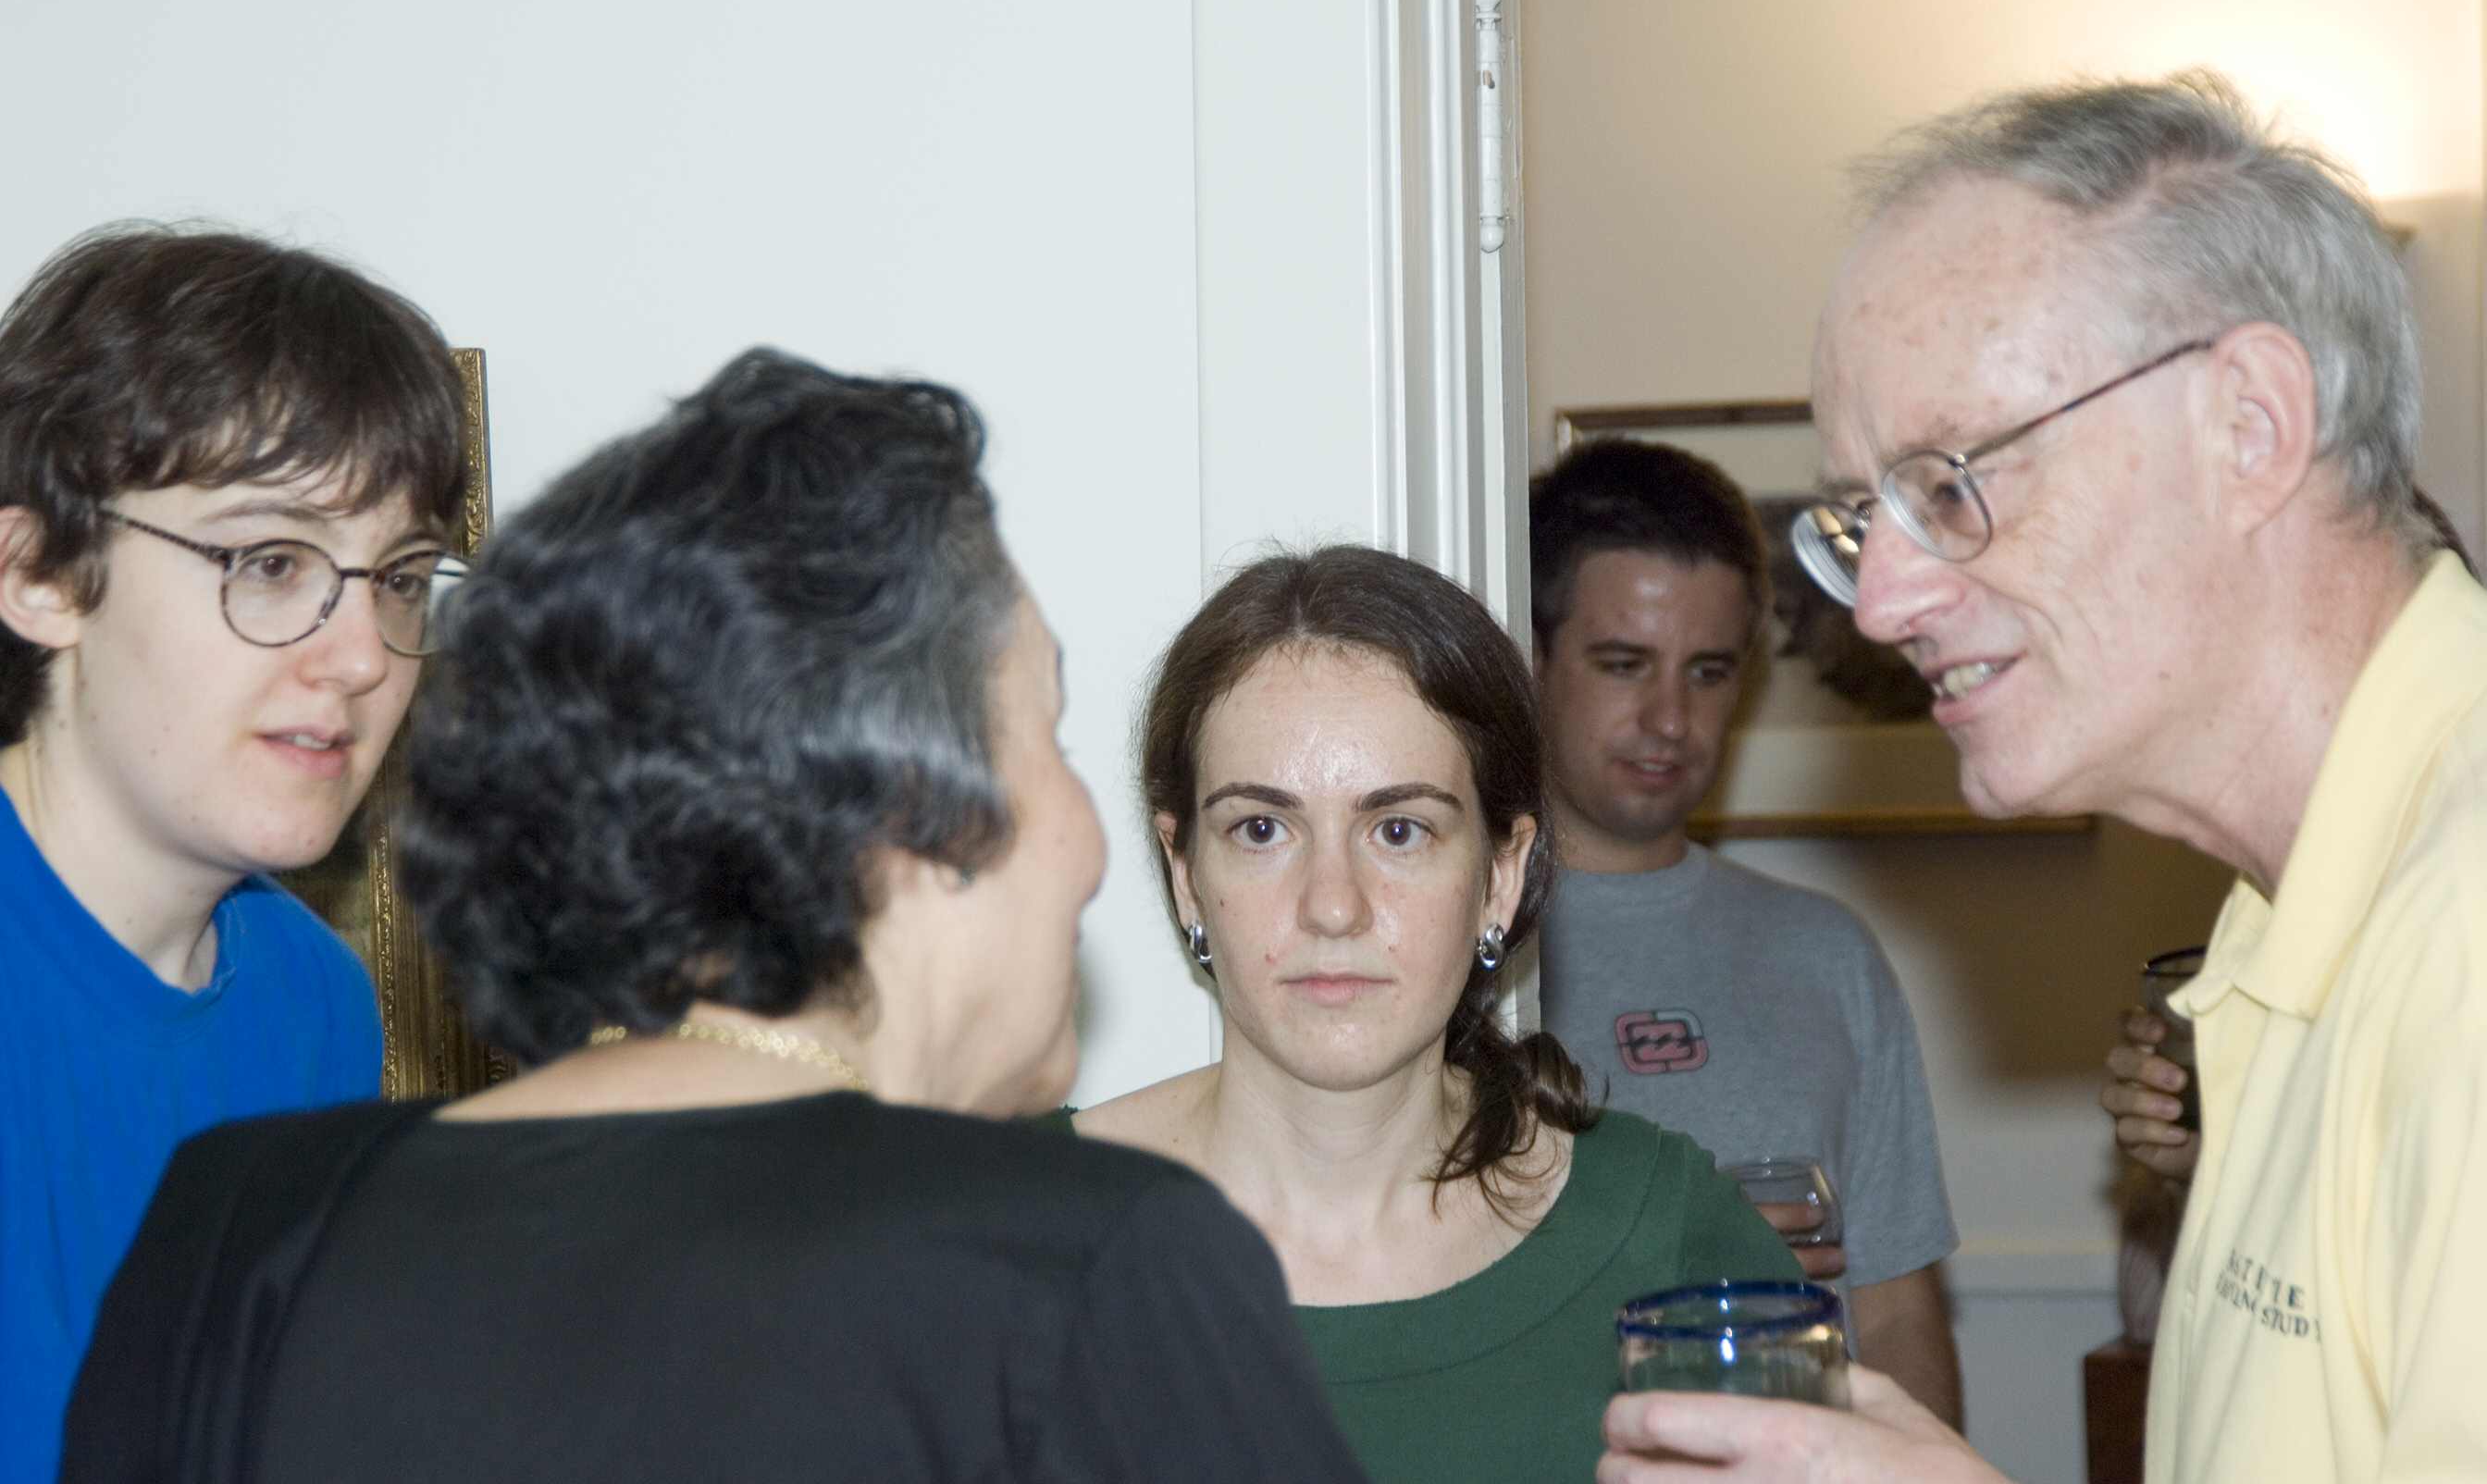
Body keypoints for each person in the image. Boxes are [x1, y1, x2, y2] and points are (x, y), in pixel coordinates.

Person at [63, 352, 1367, 1483]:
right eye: (1050, 735)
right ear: (905, 802)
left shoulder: (235, 1225)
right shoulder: (1084, 1265)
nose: (1087, 846)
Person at [1603, 70, 2487, 1483]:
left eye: (1949, 482)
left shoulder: (2478, 927)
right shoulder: (2295, 910)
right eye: (1859, 519)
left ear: (2249, 424)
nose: (1880, 603)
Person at [1069, 545, 1797, 1484]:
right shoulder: (1001, 1233)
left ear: (1500, 874)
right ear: (1184, 874)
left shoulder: (1669, 1240)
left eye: (1399, 830)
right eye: (1262, 829)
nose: (1333, 907)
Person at [0, 224, 468, 1482]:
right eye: (270, 562)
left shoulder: (314, 1000)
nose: (361, 656)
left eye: (400, 578)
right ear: (40, 574)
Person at [1529, 438, 1961, 1427]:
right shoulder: (1453, 960)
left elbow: (1896, 1312)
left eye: (1709, 671)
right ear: (1531, 657)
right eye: (1623, 664)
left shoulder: (1828, 952)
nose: (1670, 718)